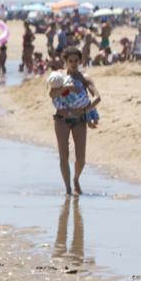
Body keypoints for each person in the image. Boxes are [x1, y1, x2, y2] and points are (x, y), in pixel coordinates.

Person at [50, 46, 100, 195]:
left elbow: (97, 97)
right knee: (63, 156)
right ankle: (68, 189)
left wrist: (85, 110)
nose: (73, 63)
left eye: (76, 60)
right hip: (61, 119)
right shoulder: (59, 76)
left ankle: (76, 178)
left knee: (81, 159)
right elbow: (52, 93)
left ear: (80, 61)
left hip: (79, 120)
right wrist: (68, 88)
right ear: (65, 61)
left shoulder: (84, 78)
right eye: (70, 60)